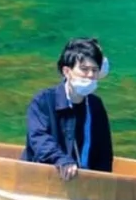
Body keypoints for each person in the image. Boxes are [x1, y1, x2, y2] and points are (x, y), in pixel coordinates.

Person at [23, 37, 113, 180]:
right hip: (45, 177)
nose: (90, 75)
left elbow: (104, 152)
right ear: (67, 71)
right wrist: (61, 159)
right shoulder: (43, 100)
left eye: (94, 70)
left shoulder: (95, 105)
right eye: (84, 69)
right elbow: (39, 138)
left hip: (83, 181)